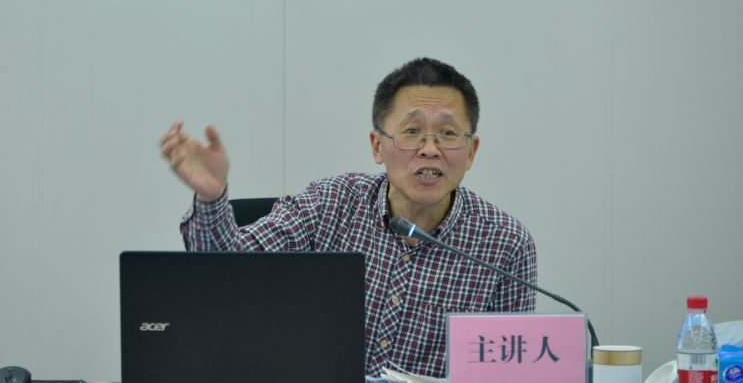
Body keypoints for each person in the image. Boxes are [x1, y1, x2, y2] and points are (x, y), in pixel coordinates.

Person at [159, 57, 536, 378]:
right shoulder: (331, 204)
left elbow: (510, 375)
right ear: (377, 146)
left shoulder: (505, 245)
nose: (429, 149)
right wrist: (211, 197)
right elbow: (224, 274)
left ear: (471, 152)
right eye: (412, 131)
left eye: (448, 133)